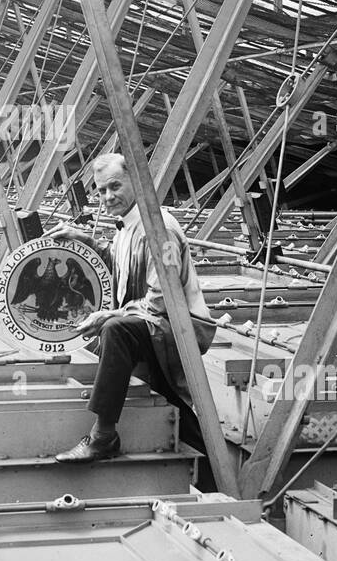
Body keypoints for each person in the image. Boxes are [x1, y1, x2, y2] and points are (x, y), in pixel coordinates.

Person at [50, 153, 215, 462]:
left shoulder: (159, 228)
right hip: (152, 325)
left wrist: (109, 314)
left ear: (136, 182)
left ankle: (103, 435)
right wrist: (83, 239)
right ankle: (211, 469)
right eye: (101, 191)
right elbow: (124, 269)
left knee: (115, 330)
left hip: (176, 328)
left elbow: (161, 298)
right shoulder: (127, 225)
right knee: (170, 401)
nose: (108, 197)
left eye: (115, 186)